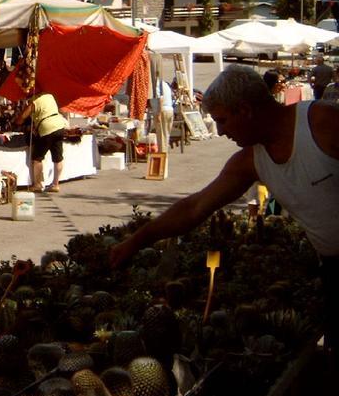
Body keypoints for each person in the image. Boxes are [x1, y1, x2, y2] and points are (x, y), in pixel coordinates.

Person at [109, 65, 339, 355]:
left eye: (223, 120)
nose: (220, 131)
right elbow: (194, 208)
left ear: (245, 110)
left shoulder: (322, 122)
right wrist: (137, 241)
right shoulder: (250, 161)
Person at [15, 92, 68, 193]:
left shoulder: (34, 102)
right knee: (58, 157)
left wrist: (17, 121)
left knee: (37, 158)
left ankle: (37, 184)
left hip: (47, 128)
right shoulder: (49, 95)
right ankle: (56, 184)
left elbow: (22, 117)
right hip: (59, 126)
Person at [153, 77, 175, 154]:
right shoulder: (165, 84)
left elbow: (160, 99)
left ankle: (162, 155)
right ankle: (164, 154)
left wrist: (158, 113)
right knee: (166, 135)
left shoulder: (156, 85)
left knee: (161, 135)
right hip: (170, 109)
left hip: (163, 110)